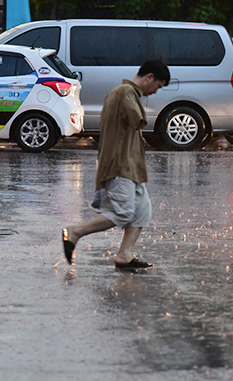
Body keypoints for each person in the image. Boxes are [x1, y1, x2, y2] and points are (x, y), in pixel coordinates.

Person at [62, 59, 170, 269]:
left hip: (131, 165)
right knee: (123, 213)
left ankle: (124, 255)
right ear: (149, 78)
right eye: (157, 86)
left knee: (142, 211)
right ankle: (75, 232)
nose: (155, 91)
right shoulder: (125, 93)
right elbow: (137, 119)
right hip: (121, 164)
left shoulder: (124, 92)